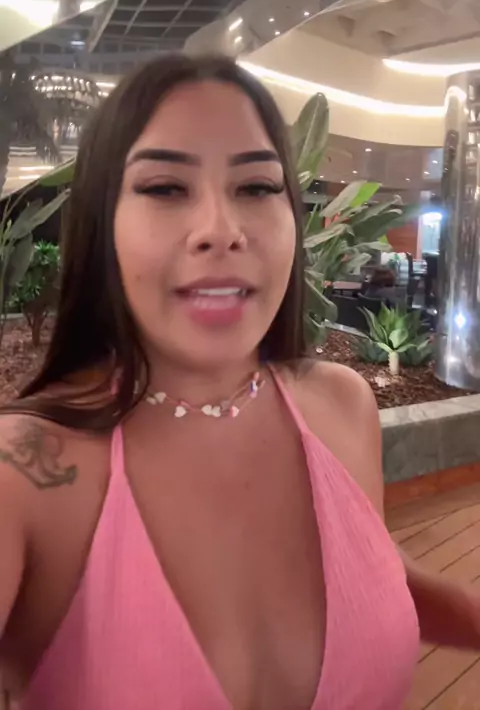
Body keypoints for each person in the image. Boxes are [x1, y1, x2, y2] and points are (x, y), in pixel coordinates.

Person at [1, 55, 480, 710]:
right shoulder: (24, 476)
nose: (221, 232)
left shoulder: (341, 404)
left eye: (256, 187)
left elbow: (375, 574)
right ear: (100, 224)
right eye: (165, 188)